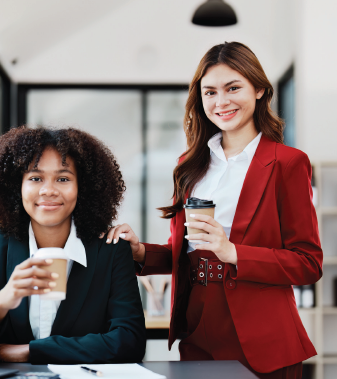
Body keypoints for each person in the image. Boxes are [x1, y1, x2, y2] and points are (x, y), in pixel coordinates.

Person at [105, 42, 323, 379]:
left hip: (265, 343)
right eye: (210, 92)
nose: (221, 101)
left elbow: (307, 263)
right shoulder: (189, 165)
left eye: (233, 88)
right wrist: (139, 252)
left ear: (260, 89)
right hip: (198, 333)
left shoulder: (288, 163)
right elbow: (187, 252)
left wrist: (233, 252)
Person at [0, 126, 146, 364]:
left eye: (63, 179)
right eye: (35, 178)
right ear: (18, 187)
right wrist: (3, 301)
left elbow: (130, 342)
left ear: (83, 188)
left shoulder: (110, 250)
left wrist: (30, 351)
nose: (48, 190)